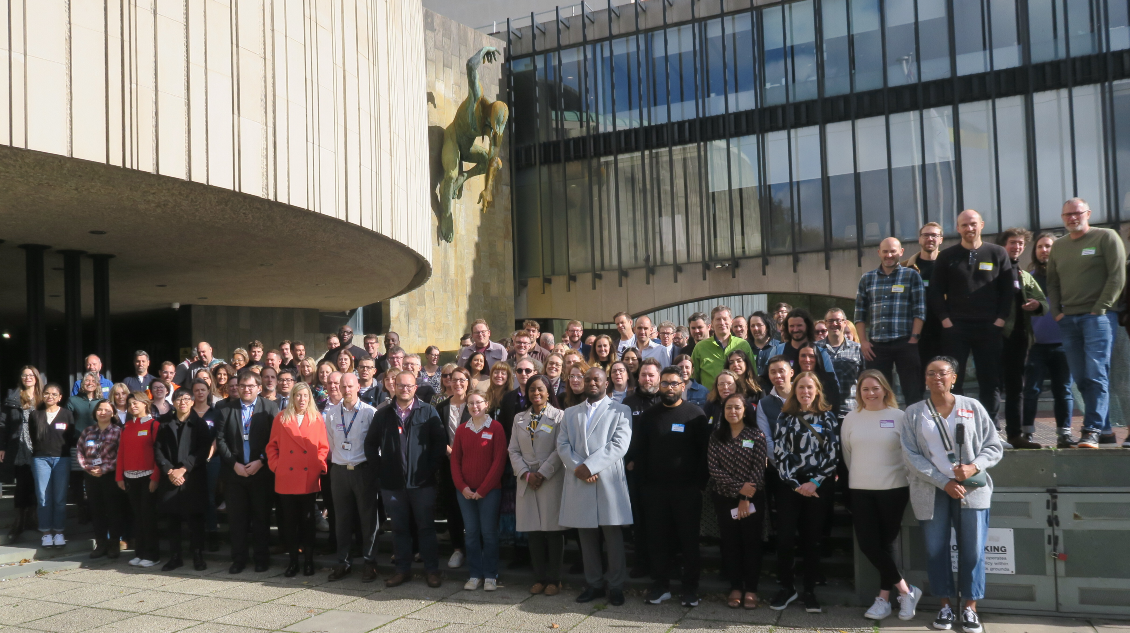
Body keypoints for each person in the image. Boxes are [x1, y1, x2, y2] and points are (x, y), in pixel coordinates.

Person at [902, 357, 1004, 633]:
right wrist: (942, 481)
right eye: (931, 373)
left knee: (972, 551)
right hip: (932, 490)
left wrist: (973, 467)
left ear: (954, 378)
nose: (937, 378)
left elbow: (994, 447)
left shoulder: (972, 407)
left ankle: (970, 609)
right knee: (936, 551)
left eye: (943, 373)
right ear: (925, 379)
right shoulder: (913, 413)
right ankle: (944, 606)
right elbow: (910, 456)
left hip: (971, 490)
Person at [1047, 198, 1127, 448]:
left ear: (1088, 213)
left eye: (1077, 213)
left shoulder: (1106, 237)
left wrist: (1099, 309)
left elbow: (1117, 275)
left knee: (1095, 373)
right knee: (1081, 379)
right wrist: (1057, 312)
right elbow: (1052, 282)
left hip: (1098, 318)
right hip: (1068, 320)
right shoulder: (1059, 246)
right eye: (1067, 215)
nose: (1072, 218)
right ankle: (1104, 431)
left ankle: (1090, 430)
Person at [842, 370, 921, 621]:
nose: (871, 393)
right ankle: (907, 591)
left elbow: (909, 453)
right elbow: (847, 454)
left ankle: (883, 599)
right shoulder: (851, 419)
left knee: (884, 546)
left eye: (875, 388)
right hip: (860, 489)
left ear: (885, 390)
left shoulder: (899, 416)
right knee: (869, 545)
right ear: (859, 393)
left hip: (893, 490)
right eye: (865, 389)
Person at [929, 209, 1017, 422]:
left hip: (989, 327)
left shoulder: (997, 253)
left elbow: (1007, 290)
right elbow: (935, 291)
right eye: (965, 225)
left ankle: (990, 425)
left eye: (973, 224)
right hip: (956, 328)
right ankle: (958, 422)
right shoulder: (946, 256)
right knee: (953, 380)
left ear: (982, 225)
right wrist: (945, 320)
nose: (970, 228)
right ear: (958, 228)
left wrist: (1000, 320)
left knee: (990, 379)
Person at [557, 367, 633, 606]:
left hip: (607, 479)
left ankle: (616, 585)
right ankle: (594, 584)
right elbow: (562, 444)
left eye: (596, 379)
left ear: (606, 382)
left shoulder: (621, 410)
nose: (591, 382)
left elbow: (620, 444)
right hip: (580, 479)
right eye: (586, 378)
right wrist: (578, 467)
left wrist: (590, 466)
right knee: (586, 537)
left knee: (613, 537)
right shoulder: (569, 413)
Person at [635, 366, 710, 607]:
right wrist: (644, 485)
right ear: (659, 385)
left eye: (674, 383)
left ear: (683, 385)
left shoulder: (695, 415)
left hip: (687, 491)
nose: (669, 388)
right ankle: (661, 586)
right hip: (655, 491)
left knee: (688, 541)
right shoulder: (649, 416)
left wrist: (699, 484)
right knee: (658, 540)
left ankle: (690, 589)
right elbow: (641, 451)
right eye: (665, 383)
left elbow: (704, 453)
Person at [366, 370, 447, 588]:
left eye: (409, 386)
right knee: (399, 529)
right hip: (392, 485)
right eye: (400, 385)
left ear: (415, 388)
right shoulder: (383, 414)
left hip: (422, 484)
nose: (405, 389)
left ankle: (432, 570)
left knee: (426, 528)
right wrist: (381, 471)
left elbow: (439, 445)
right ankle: (402, 570)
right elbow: (370, 445)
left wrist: (429, 470)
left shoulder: (428, 412)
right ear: (394, 386)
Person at [769, 372, 839, 613]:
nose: (805, 392)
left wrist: (814, 483)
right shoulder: (784, 417)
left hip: (818, 487)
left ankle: (809, 590)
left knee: (812, 539)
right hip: (790, 486)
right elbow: (779, 453)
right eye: (801, 388)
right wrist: (794, 483)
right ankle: (787, 587)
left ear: (817, 390)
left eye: (810, 387)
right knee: (785, 538)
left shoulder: (828, 417)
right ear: (794, 390)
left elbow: (832, 456)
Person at [215, 370, 280, 574]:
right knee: (237, 520)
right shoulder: (226, 409)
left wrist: (261, 461)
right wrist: (234, 465)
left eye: (251, 386)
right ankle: (239, 559)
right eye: (242, 386)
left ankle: (261, 558)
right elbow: (221, 440)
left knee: (261, 518)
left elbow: (275, 439)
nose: (246, 389)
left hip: (261, 472)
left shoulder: (270, 408)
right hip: (235, 474)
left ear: (259, 388)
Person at [707, 393, 767, 610]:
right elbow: (714, 468)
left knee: (751, 543)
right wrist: (737, 488)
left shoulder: (756, 435)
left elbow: (759, 469)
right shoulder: (717, 436)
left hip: (752, 499)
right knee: (730, 544)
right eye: (728, 408)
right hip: (724, 498)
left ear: (745, 410)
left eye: (737, 407)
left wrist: (744, 496)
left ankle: (751, 589)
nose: (733, 411)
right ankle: (735, 587)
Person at [510, 375, 566, 596]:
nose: (536, 393)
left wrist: (541, 473)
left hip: (549, 479)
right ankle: (539, 577)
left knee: (553, 532)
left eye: (540, 389)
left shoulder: (559, 416)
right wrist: (525, 473)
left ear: (548, 391)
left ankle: (555, 579)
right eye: (532, 389)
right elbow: (513, 450)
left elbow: (561, 448)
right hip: (526, 480)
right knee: (533, 532)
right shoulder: (518, 419)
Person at [267, 382, 330, 577]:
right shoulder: (281, 418)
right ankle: (293, 562)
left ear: (310, 398)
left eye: (305, 396)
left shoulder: (316, 418)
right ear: (292, 397)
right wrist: (277, 466)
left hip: (308, 477)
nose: (302, 399)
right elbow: (272, 447)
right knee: (289, 523)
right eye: (298, 395)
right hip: (286, 478)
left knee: (308, 523)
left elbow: (323, 447)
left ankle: (308, 562)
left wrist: (318, 465)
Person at [320, 373, 379, 581]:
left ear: (358, 387)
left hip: (363, 470)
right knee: (342, 520)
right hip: (339, 471)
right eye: (342, 386)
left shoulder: (370, 413)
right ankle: (343, 563)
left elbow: (375, 445)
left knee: (368, 519)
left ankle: (369, 563)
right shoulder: (331, 414)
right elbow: (330, 443)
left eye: (350, 386)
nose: (346, 390)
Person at [855, 238, 927, 405]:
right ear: (879, 253)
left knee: (913, 391)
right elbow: (860, 313)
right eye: (885, 251)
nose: (889, 255)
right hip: (876, 346)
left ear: (900, 252)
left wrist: (914, 339)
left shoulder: (911, 276)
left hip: (905, 342)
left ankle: (914, 426)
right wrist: (863, 342)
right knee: (878, 392)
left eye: (893, 251)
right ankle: (883, 426)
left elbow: (920, 310)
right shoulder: (867, 279)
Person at [997, 228, 1049, 449]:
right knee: (991, 387)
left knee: (1015, 388)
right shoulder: (991, 270)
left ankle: (1015, 435)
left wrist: (1037, 305)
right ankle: (989, 433)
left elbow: (1043, 303)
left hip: (1018, 339)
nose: (1016, 247)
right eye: (1012, 242)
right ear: (1003, 245)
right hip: (993, 337)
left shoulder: (1024, 276)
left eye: (1020, 244)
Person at [450, 392, 508, 591]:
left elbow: (499, 461)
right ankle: (475, 574)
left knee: (489, 533)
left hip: (489, 491)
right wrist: (463, 487)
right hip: (465, 492)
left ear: (487, 404)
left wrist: (483, 489)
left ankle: (490, 575)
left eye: (479, 403)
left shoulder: (496, 428)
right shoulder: (461, 430)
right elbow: (455, 461)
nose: (475, 406)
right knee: (471, 533)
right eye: (471, 403)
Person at [1024, 233, 1077, 448]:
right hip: (1036, 345)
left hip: (1064, 344)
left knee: (1063, 390)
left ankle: (1064, 433)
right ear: (1035, 251)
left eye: (1048, 246)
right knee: (1031, 390)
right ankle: (1026, 432)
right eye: (1040, 247)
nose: (1044, 250)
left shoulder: (1067, 275)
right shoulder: (1028, 277)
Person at [155, 388, 211, 572]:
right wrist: (169, 470)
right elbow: (158, 449)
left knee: (195, 518)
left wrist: (184, 469)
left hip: (192, 478)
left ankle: (197, 555)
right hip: (170, 477)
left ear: (193, 402)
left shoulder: (200, 424)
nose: (183, 402)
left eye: (187, 399)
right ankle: (175, 556)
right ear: (173, 402)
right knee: (172, 519)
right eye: (179, 399)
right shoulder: (164, 423)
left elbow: (203, 451)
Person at [116, 390, 162, 567]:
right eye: (130, 403)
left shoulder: (154, 425)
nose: (132, 406)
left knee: (148, 516)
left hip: (147, 477)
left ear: (145, 403)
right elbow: (121, 453)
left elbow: (158, 455)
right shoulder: (126, 426)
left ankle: (152, 554)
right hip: (130, 477)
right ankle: (140, 552)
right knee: (137, 516)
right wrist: (119, 476)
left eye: (136, 402)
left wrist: (155, 477)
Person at [76, 400, 124, 558]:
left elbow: (121, 455)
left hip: (110, 476)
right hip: (91, 477)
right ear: (95, 412)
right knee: (96, 511)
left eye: (107, 410)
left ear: (113, 413)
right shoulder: (88, 431)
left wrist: (104, 469)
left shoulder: (118, 431)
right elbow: (80, 452)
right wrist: (89, 468)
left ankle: (114, 544)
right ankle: (101, 544)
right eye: (100, 410)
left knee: (113, 510)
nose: (103, 412)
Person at [30, 383, 76, 548]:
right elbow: (33, 437)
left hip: (61, 459)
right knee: (43, 497)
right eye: (47, 393)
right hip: (40, 459)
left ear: (60, 397)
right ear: (43, 396)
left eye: (54, 394)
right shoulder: (35, 415)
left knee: (59, 498)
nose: (50, 397)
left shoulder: (67, 414)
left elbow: (70, 438)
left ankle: (59, 531)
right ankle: (46, 533)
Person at [436, 367, 472, 569]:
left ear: (468, 382)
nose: (457, 383)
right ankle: (458, 549)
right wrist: (449, 451)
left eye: (462, 380)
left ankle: (475, 548)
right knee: (453, 507)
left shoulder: (476, 405)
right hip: (449, 464)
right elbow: (437, 435)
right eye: (454, 379)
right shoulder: (441, 407)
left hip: (473, 464)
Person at [902, 222, 946, 373]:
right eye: (926, 235)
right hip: (914, 334)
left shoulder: (950, 265)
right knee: (915, 378)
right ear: (919, 239)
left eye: (934, 235)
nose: (930, 239)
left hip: (944, 332)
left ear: (941, 239)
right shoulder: (904, 268)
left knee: (944, 376)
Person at [692, 306, 754, 391]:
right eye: (718, 319)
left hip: (738, 399)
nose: (722, 323)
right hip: (710, 400)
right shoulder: (700, 347)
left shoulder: (743, 345)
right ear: (712, 323)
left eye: (725, 319)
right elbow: (694, 378)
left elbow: (751, 374)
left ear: (731, 322)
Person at [817, 308, 864, 419]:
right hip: (822, 410)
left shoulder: (858, 349)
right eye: (830, 321)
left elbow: (864, 379)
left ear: (845, 323)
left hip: (851, 411)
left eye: (838, 320)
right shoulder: (815, 348)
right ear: (825, 323)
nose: (834, 324)